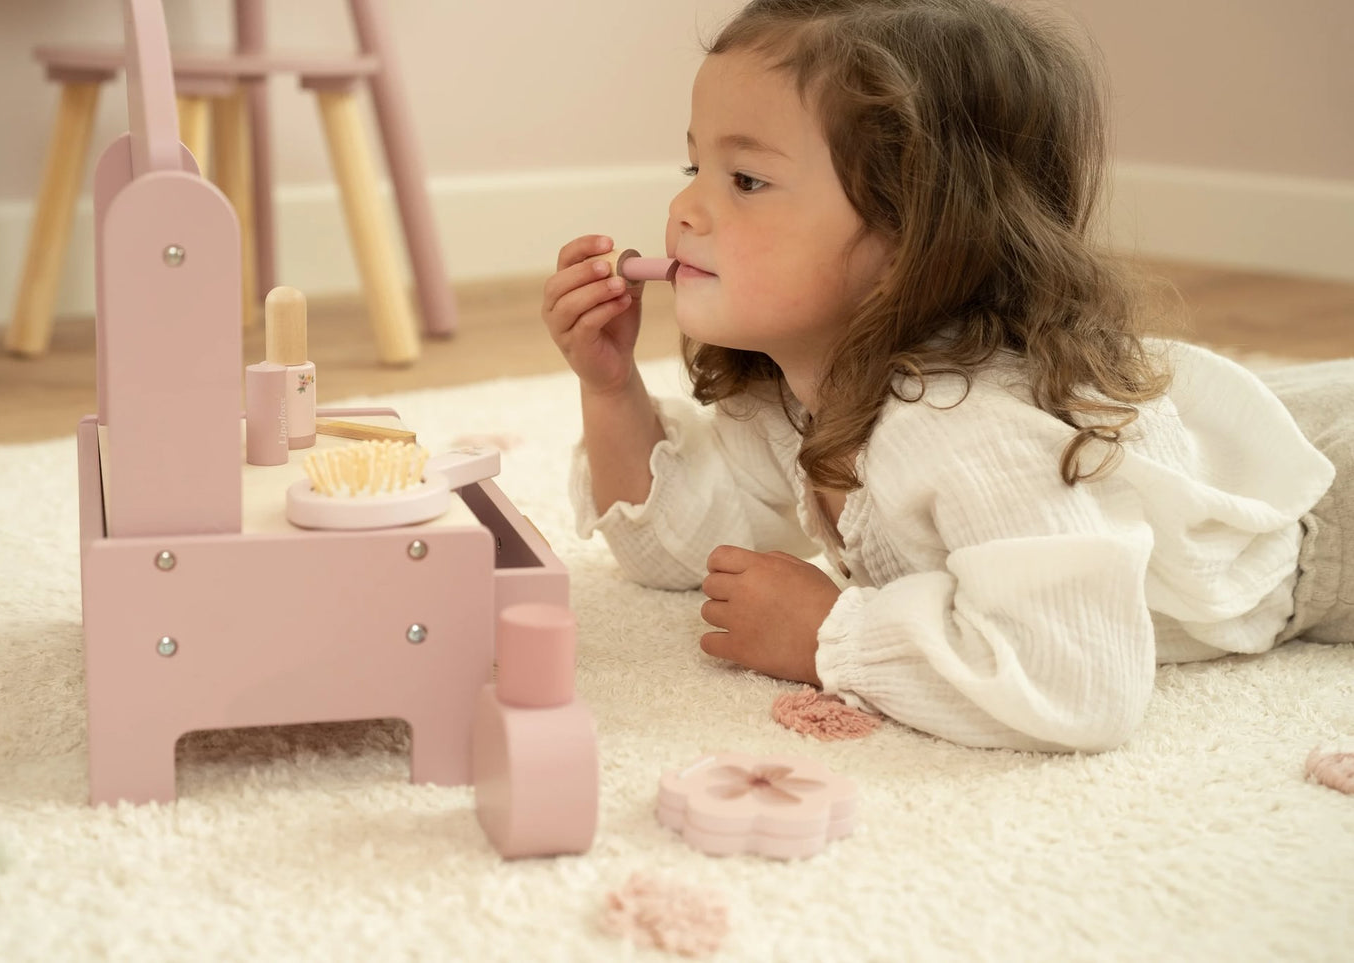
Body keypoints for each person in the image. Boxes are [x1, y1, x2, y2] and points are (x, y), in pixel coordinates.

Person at [539, 0, 1349, 752]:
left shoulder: (969, 426)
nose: (684, 211)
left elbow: (1081, 685)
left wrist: (828, 634)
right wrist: (610, 389)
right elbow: (684, 554)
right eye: (692, 168)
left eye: (746, 180)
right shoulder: (793, 387)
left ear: (913, 230)